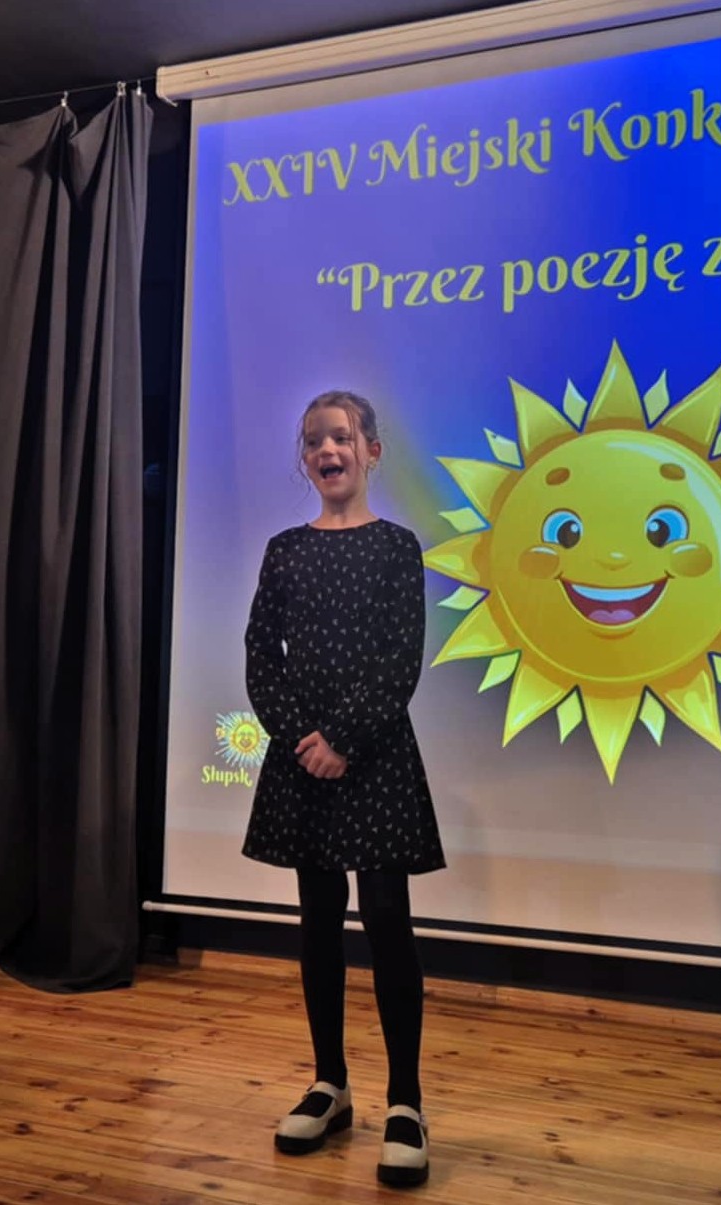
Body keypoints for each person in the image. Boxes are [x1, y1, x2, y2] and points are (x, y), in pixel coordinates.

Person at [241, 389, 445, 1189]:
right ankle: (331, 1083)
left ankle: (407, 1101)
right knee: (318, 920)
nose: (327, 450)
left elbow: (400, 658)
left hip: (375, 757)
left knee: (387, 918)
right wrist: (304, 738)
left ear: (371, 451)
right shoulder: (285, 549)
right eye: (312, 440)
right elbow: (262, 656)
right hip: (303, 761)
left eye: (341, 436)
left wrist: (345, 740)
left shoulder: (396, 547)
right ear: (305, 460)